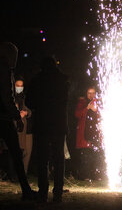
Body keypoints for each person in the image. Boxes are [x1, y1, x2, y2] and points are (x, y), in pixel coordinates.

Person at [26, 56, 70, 203]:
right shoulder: (63, 80)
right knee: (58, 159)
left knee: (42, 159)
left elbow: (29, 101)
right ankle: (57, 193)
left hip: (43, 124)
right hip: (58, 124)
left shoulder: (37, 80)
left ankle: (43, 192)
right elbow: (65, 101)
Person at [0, 42, 37, 200]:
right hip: (3, 118)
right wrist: (16, 116)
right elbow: (6, 96)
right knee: (16, 152)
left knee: (16, 152)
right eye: (14, 55)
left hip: (3, 116)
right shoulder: (4, 69)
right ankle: (25, 190)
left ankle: (25, 188)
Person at [74, 86, 101, 180]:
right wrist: (87, 108)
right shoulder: (82, 103)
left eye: (93, 93)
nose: (91, 95)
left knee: (95, 154)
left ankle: (95, 175)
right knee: (86, 155)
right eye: (89, 93)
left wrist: (96, 110)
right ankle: (84, 175)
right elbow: (77, 114)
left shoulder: (99, 103)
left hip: (96, 133)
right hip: (85, 133)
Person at [14, 76, 33, 174]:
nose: (19, 88)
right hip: (18, 129)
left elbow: (30, 110)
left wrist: (26, 112)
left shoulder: (25, 97)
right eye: (17, 85)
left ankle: (23, 173)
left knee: (27, 151)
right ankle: (16, 174)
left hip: (27, 128)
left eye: (21, 86)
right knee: (19, 151)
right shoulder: (12, 97)